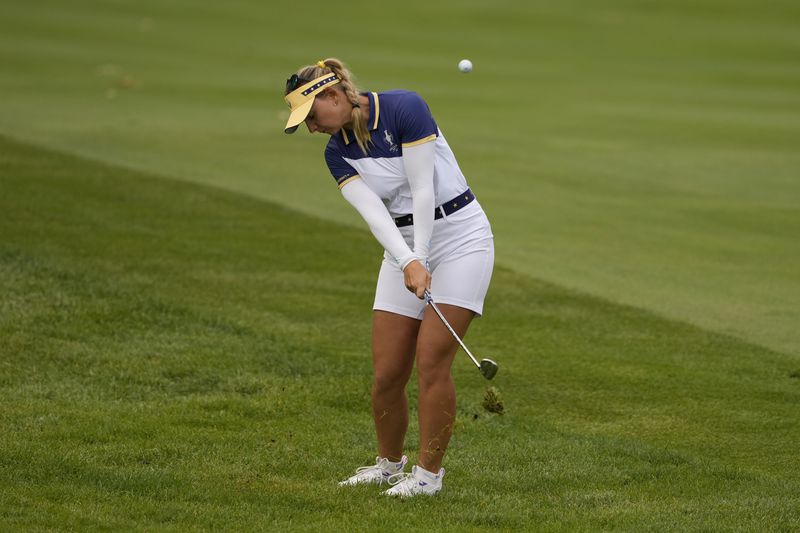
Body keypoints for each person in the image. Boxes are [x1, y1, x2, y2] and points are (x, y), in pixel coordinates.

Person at [283, 58, 494, 498]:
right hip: (399, 247)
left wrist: (420, 256)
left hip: (460, 238)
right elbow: (375, 215)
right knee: (387, 373)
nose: (311, 129)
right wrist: (407, 261)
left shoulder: (404, 109)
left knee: (432, 362)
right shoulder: (336, 152)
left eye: (312, 116)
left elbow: (422, 188)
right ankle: (388, 465)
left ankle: (428, 476)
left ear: (334, 96)